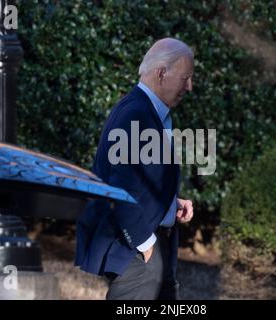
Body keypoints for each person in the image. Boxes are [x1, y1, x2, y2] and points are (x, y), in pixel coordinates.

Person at [75, 38, 194, 300]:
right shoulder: (136, 114)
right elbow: (118, 188)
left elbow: (140, 180)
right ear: (161, 73)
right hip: (138, 251)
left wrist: (171, 205)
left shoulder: (149, 112)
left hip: (151, 251)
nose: (190, 86)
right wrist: (145, 243)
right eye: (185, 77)